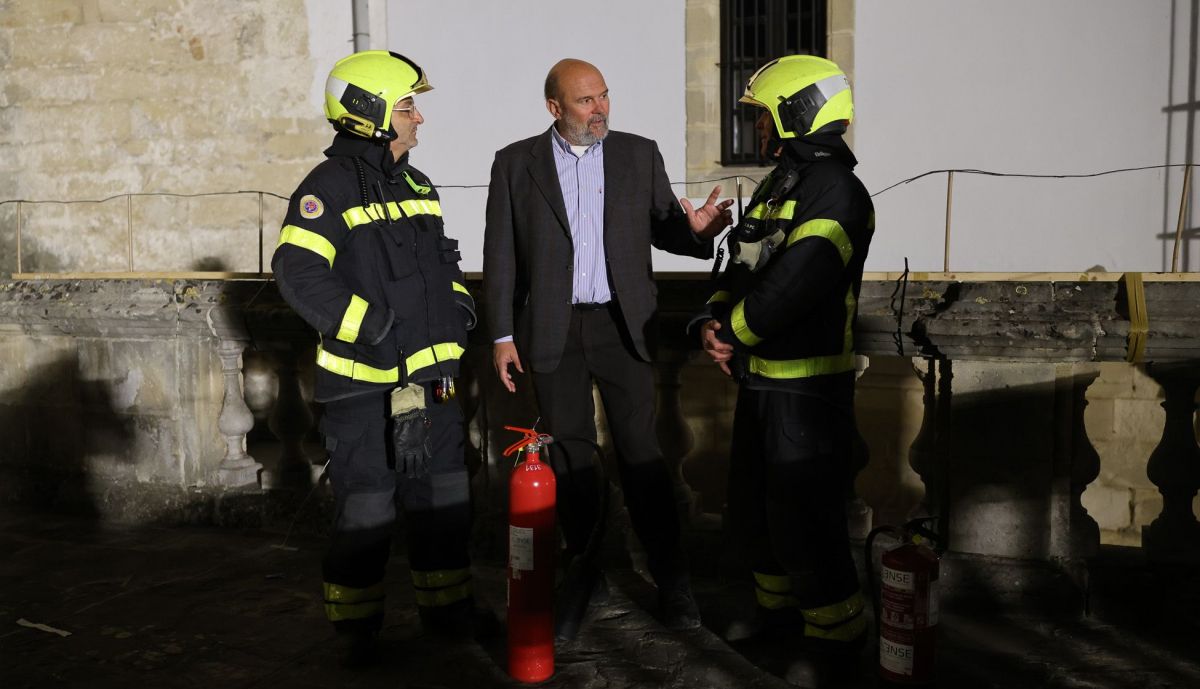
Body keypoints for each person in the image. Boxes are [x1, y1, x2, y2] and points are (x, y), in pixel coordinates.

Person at [482, 58, 733, 641]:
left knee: (642, 456)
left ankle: (673, 583)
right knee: (571, 459)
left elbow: (668, 228)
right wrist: (500, 335)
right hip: (552, 332)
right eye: (586, 101)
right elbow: (501, 256)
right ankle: (585, 573)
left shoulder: (637, 154)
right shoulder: (515, 163)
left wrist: (697, 230)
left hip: (623, 329)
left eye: (603, 97)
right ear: (555, 109)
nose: (600, 109)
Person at [272, 50, 478, 666]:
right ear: (370, 112)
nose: (419, 119)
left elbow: (444, 268)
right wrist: (376, 330)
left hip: (432, 386)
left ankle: (449, 615)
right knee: (366, 510)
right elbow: (298, 270)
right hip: (363, 391)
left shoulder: (417, 184)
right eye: (408, 106)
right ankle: (356, 636)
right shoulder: (324, 190)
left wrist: (460, 311)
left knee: (444, 502)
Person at [692, 55, 874, 680]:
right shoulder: (781, 184)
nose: (759, 129)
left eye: (765, 115)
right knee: (754, 505)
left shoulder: (837, 191)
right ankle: (779, 613)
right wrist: (711, 321)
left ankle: (837, 632)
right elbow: (740, 263)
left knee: (806, 517)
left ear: (798, 113)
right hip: (762, 381)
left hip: (808, 390)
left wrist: (733, 334)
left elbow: (798, 283)